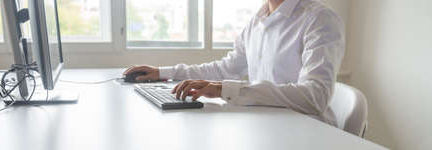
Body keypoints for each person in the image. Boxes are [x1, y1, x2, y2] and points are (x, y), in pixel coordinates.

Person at [124, 0, 345, 126]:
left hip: (306, 133)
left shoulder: (319, 19)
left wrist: (224, 89)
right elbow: (225, 69)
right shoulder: (257, 21)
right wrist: (162, 72)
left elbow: (314, 97)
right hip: (267, 126)